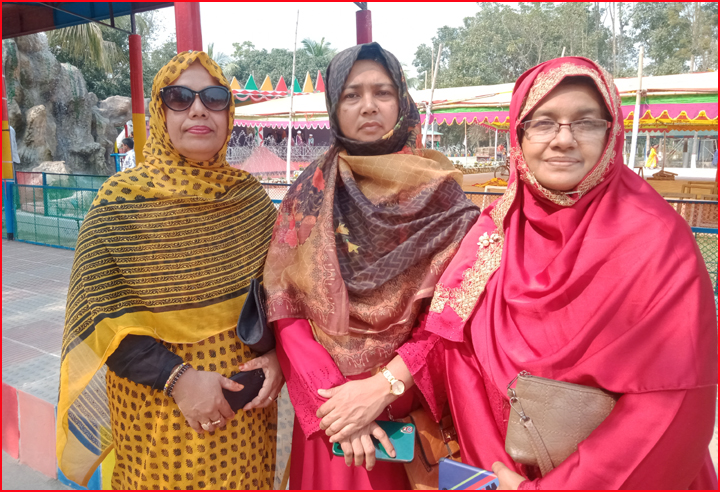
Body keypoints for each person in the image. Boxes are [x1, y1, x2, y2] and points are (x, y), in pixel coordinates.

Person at [415, 57, 717, 489]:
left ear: (611, 133)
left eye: (585, 122)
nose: (563, 139)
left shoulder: (658, 242)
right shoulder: (493, 233)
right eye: (543, 123)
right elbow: (451, 347)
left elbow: (673, 403)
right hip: (493, 472)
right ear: (518, 135)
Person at [57, 51, 283, 490]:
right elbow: (99, 316)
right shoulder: (120, 203)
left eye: (214, 98)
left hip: (246, 418)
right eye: (179, 98)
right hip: (158, 418)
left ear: (228, 113)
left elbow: (286, 294)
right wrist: (179, 380)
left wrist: (278, 359)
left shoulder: (250, 200)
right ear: (160, 114)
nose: (198, 109)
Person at [263, 42, 479, 489]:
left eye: (382, 92)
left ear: (401, 100)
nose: (368, 106)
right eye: (351, 94)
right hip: (332, 414)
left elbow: (452, 312)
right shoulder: (310, 191)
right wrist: (337, 405)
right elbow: (286, 304)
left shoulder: (442, 198)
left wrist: (382, 388)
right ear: (334, 106)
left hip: (406, 413)